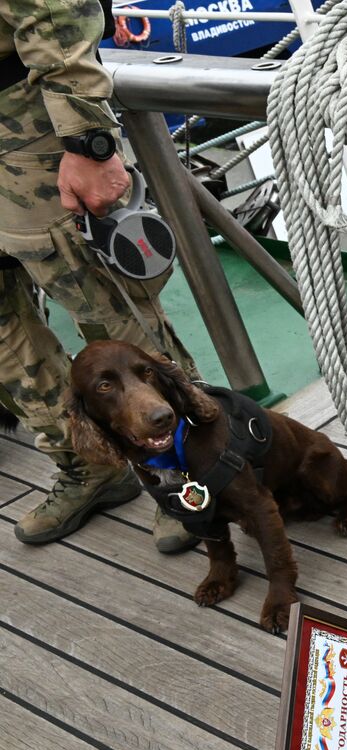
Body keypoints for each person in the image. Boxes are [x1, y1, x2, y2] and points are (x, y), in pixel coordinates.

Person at [1, 0, 201, 551]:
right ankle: (88, 465)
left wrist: (86, 137)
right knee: (4, 341)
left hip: (22, 134)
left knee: (108, 314)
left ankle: (184, 470)